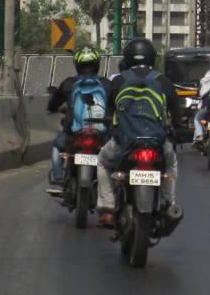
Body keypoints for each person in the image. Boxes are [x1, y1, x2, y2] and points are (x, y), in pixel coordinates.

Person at [96, 37, 183, 229]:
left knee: (102, 161)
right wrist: (177, 127)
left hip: (125, 142)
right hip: (156, 143)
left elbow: (109, 113)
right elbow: (176, 112)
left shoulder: (118, 81)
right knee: (171, 163)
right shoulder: (163, 81)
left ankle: (108, 208)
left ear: (127, 58)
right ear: (152, 58)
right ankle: (168, 203)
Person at [45, 46, 109, 195]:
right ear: (97, 63)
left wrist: (52, 108)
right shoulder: (106, 84)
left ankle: (59, 177)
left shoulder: (69, 83)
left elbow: (54, 102)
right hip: (100, 132)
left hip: (74, 131)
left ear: (77, 64)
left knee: (57, 146)